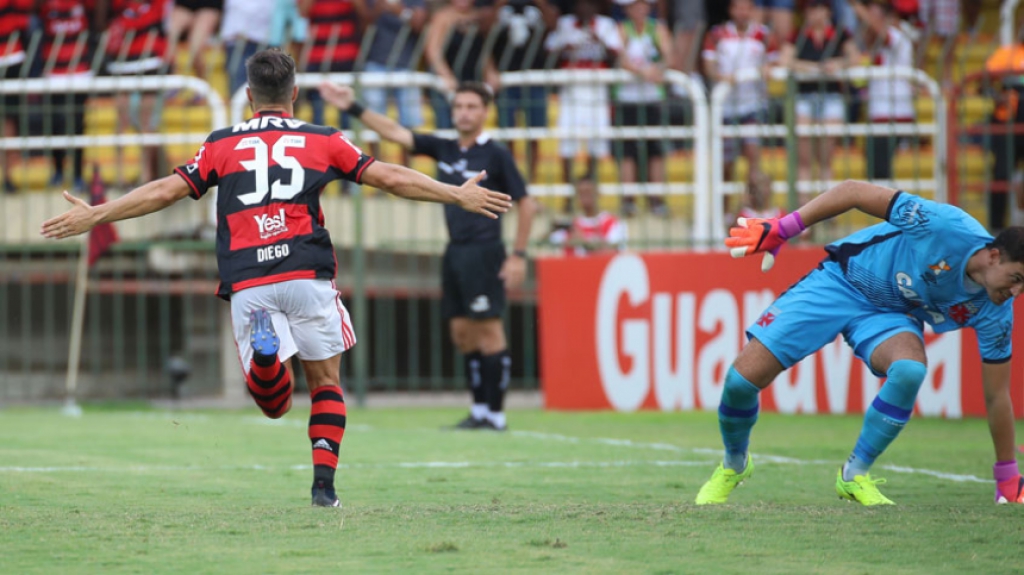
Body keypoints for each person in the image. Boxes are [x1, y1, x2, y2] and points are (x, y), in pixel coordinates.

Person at [40, 49, 512, 507]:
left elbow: (167, 190)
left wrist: (99, 214)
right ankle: (323, 489)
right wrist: (455, 194)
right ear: (296, 93)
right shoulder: (324, 138)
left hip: (250, 279)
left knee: (273, 405)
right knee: (326, 383)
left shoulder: (222, 143)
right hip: (306, 272)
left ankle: (267, 361)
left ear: (249, 95)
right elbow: (388, 175)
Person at [695, 180, 1024, 506]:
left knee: (909, 370)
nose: (1015, 293)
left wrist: (1007, 477)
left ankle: (854, 475)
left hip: (890, 313)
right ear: (994, 256)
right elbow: (853, 191)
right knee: (740, 382)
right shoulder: (943, 226)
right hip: (842, 281)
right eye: (1016, 279)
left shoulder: (995, 311)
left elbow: (997, 396)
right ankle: (734, 464)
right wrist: (785, 228)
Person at [319, 80, 538, 431]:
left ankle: (495, 416)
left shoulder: (496, 154)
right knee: (461, 332)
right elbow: (397, 134)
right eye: (459, 106)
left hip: (486, 252)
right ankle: (479, 410)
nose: (464, 112)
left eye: (471, 106)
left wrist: (519, 255)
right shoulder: (446, 147)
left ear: (485, 112)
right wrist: (353, 106)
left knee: (489, 330)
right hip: (455, 251)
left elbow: (527, 205)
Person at [779, 0, 858, 202]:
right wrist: (813, 68)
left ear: (828, 11)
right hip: (804, 97)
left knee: (826, 158)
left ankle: (827, 207)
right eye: (811, 9)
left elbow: (855, 58)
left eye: (819, 8)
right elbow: (785, 60)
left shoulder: (840, 33)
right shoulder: (799, 35)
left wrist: (837, 64)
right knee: (803, 159)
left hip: (831, 97)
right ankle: (804, 208)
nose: (815, 14)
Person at [544, 0, 622, 195]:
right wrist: (566, 48)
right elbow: (549, 51)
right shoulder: (565, 24)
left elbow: (616, 55)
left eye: (589, 4)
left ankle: (589, 190)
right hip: (571, 89)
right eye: (581, 4)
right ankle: (569, 193)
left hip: (597, 89)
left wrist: (599, 41)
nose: (585, 8)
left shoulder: (606, 25)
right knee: (567, 142)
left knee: (597, 140)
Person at [702, 0, 776, 183]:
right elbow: (708, 66)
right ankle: (726, 210)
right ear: (731, 10)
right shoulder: (717, 34)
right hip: (726, 106)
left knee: (753, 157)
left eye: (746, 7)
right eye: (738, 7)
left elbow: (775, 61)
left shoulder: (763, 34)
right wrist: (722, 77)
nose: (742, 12)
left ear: (752, 10)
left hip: (754, 104)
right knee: (726, 163)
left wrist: (768, 68)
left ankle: (750, 205)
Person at [615, 0, 671, 216]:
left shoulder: (658, 28)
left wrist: (659, 68)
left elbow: (669, 56)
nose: (639, 9)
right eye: (635, 6)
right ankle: (628, 200)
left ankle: (656, 199)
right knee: (627, 150)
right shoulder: (622, 29)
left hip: (652, 97)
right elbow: (620, 58)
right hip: (627, 97)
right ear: (627, 9)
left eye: (643, 5)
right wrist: (644, 72)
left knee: (655, 149)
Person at [852, 0, 914, 182]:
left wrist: (856, 6)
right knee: (875, 172)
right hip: (881, 112)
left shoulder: (898, 36)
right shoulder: (878, 42)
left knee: (881, 174)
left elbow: (880, 30)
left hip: (893, 112)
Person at [39, 0, 93, 193]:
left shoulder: (85, 4)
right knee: (55, 124)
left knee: (78, 124)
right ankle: (58, 172)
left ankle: (78, 175)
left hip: (80, 71)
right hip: (52, 72)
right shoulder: (45, 5)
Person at [0, 0, 33, 194]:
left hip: (11, 56)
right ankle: (7, 177)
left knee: (8, 121)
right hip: (11, 54)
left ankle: (7, 176)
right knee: (8, 122)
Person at [548, 175, 626, 256]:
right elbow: (544, 244)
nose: (584, 197)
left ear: (598, 193)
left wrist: (585, 243)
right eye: (581, 193)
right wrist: (552, 229)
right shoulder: (571, 225)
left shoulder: (613, 223)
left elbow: (613, 253)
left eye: (588, 192)